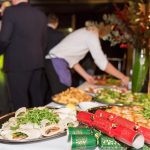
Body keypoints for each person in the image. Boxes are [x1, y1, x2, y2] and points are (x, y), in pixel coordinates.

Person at [45, 21, 129, 95]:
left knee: (64, 94)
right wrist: (123, 77)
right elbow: (102, 63)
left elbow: (73, 61)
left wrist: (87, 77)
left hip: (55, 61)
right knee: (62, 95)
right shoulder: (92, 35)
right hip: (56, 62)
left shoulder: (87, 32)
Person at [0, 0, 47, 111]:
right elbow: (44, 42)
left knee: (19, 101)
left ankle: (22, 128)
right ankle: (43, 125)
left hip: (17, 64)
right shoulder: (40, 14)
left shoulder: (10, 11)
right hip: (37, 62)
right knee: (37, 99)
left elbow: (4, 39)